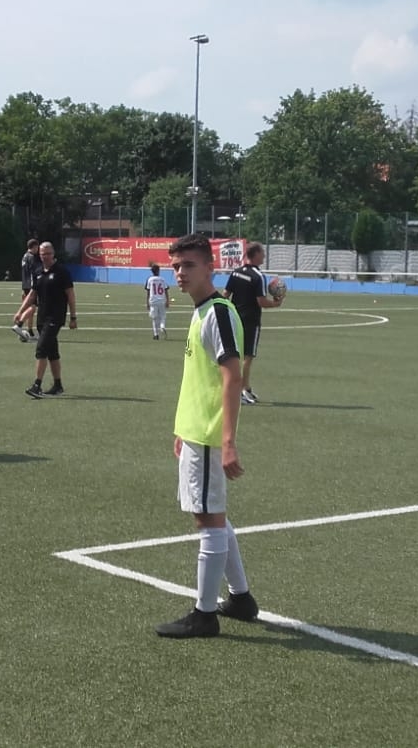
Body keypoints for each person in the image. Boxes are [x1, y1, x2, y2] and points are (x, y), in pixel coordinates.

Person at [155, 232, 256, 639]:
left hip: (210, 436)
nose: (180, 273)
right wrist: (183, 430)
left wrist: (228, 441)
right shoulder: (201, 312)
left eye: (188, 265)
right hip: (196, 433)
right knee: (213, 515)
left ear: (210, 268)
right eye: (176, 266)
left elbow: (232, 378)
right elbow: (201, 381)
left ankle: (204, 614)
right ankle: (241, 598)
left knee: (208, 519)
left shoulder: (217, 312)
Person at [222, 242, 282, 405]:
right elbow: (261, 302)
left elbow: (225, 294)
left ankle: (245, 388)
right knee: (247, 357)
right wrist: (276, 303)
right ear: (255, 254)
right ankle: (239, 391)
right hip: (250, 321)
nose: (264, 256)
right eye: (262, 253)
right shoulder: (258, 276)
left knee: (235, 356)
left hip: (234, 319)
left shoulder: (236, 272)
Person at [13, 241, 76, 397]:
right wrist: (20, 311)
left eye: (48, 254)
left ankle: (37, 385)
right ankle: (58, 385)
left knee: (41, 349)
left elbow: (70, 295)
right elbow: (32, 294)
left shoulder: (62, 272)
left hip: (55, 317)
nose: (45, 257)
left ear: (53, 254)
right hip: (42, 317)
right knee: (52, 352)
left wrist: (73, 317)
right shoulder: (38, 271)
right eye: (42, 254)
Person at [11, 239, 44, 342]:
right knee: (33, 308)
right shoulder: (32, 258)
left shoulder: (25, 256)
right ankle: (19, 325)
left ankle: (30, 332)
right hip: (31, 286)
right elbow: (36, 272)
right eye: (37, 247)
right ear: (34, 247)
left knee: (30, 309)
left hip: (25, 285)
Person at [145, 261, 171, 339]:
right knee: (162, 316)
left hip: (153, 301)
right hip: (162, 300)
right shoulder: (162, 279)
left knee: (154, 318)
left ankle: (156, 334)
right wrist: (167, 300)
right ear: (158, 271)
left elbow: (148, 292)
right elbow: (166, 290)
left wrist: (147, 302)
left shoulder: (150, 279)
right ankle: (162, 326)